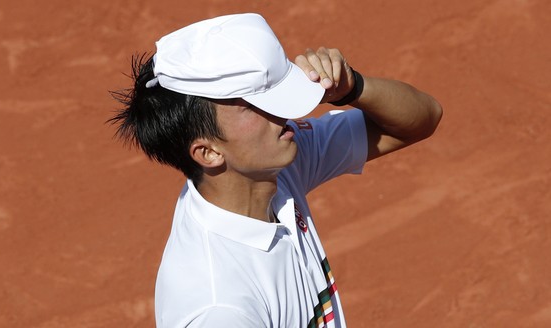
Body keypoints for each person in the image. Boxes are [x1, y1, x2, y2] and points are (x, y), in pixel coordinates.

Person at [109, 13, 442, 328]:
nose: (283, 113)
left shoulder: (267, 169)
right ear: (209, 152)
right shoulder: (220, 308)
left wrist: (352, 88)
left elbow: (420, 119)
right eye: (253, 104)